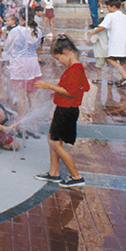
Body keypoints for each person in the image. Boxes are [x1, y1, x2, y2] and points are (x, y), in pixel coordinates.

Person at [33, 35, 88, 188]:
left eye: (58, 58)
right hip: (64, 109)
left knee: (56, 143)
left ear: (66, 52)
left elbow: (71, 92)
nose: (59, 62)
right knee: (52, 138)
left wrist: (49, 86)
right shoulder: (73, 68)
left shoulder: (76, 69)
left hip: (67, 111)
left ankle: (76, 176)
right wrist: (57, 92)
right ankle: (54, 173)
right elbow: (72, 88)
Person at [3, 8, 43, 117]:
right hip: (33, 64)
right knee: (32, 95)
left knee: (21, 97)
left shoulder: (16, 31)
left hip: (19, 64)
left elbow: (6, 48)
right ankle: (34, 125)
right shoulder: (38, 31)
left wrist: (4, 39)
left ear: (21, 17)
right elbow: (37, 46)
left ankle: (21, 124)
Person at [91, 0, 126, 87]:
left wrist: (93, 32)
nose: (108, 9)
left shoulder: (111, 15)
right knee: (122, 60)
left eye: (108, 7)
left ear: (113, 7)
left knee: (111, 59)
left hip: (118, 40)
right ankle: (123, 79)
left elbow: (103, 26)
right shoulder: (125, 16)